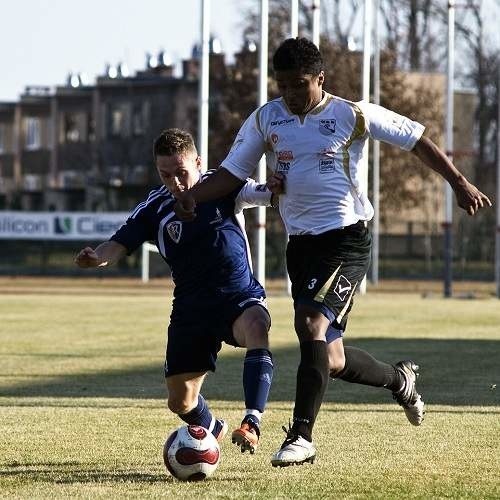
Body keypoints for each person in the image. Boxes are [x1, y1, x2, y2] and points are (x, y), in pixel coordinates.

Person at [174, 38, 492, 467]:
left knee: (309, 325)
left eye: (299, 84)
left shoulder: (352, 114)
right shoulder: (268, 119)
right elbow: (232, 173)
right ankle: (400, 380)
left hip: (346, 240)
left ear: (320, 79)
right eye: (282, 85)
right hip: (301, 245)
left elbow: (416, 139)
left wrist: (458, 181)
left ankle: (301, 436)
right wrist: (195, 196)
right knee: (334, 357)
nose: (289, 94)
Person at [75, 128, 277, 455]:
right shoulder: (155, 207)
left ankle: (252, 421)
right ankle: (212, 427)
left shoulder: (222, 185)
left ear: (198, 163)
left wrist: (277, 189)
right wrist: (98, 258)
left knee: (257, 326)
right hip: (191, 309)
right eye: (165, 175)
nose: (176, 183)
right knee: (180, 401)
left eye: (181, 173)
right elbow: (119, 243)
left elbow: (262, 193)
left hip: (236, 297)